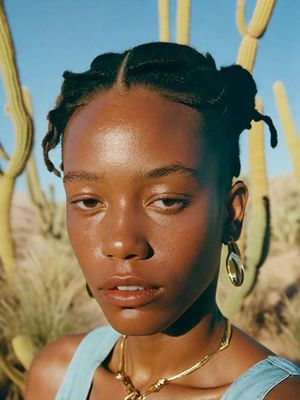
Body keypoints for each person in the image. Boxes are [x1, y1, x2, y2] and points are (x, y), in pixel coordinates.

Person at [25, 42, 300, 399]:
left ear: (232, 214)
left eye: (167, 200)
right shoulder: (54, 377)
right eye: (89, 201)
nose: (121, 243)